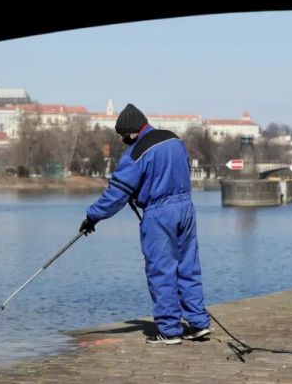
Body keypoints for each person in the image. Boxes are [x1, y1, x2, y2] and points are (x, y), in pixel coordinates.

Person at [79, 103, 211, 345]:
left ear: (130, 133)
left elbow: (116, 193)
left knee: (161, 271)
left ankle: (169, 330)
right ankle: (199, 323)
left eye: (123, 137)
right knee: (188, 267)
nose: (124, 141)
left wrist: (92, 217)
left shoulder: (136, 152)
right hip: (186, 209)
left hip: (159, 213)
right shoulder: (174, 140)